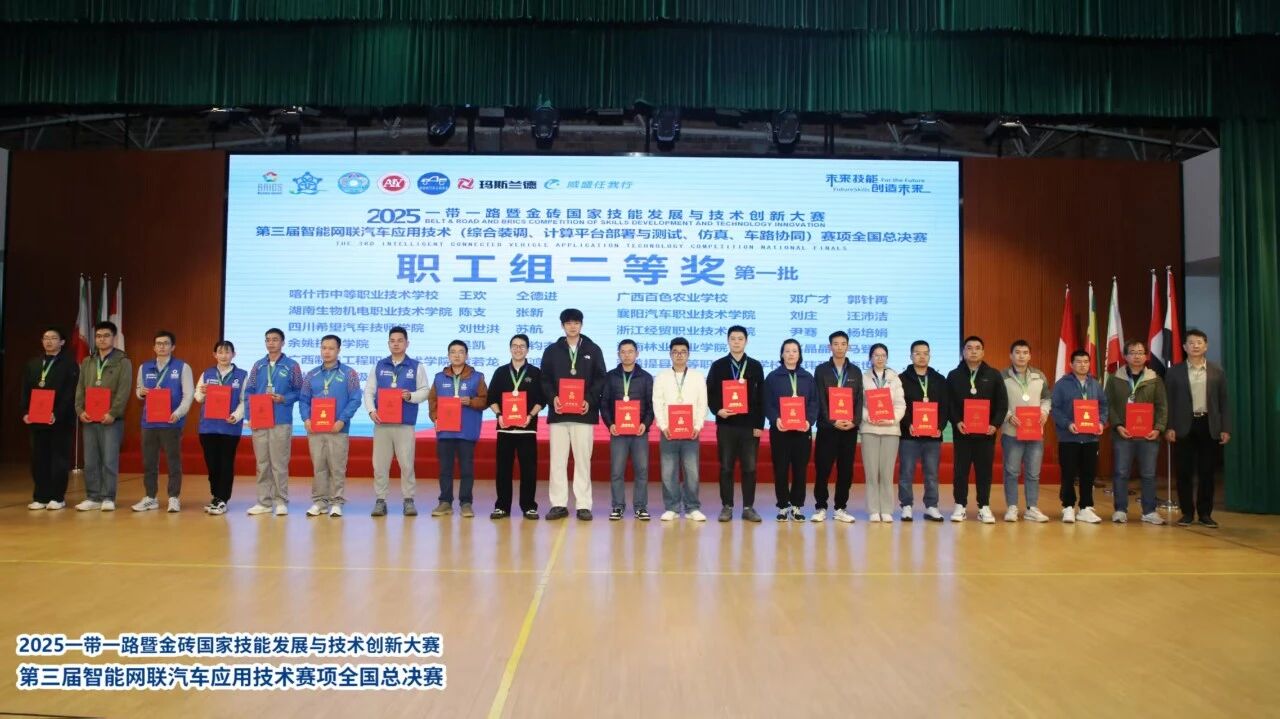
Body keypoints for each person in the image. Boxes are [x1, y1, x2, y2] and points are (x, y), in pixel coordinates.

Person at [540, 308, 607, 521]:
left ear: (581, 325)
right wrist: (553, 398)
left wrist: (589, 400)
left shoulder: (593, 349)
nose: (572, 326)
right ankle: (558, 504)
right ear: (562, 326)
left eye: (576, 323)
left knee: (583, 460)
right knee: (557, 461)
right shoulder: (552, 350)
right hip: (559, 414)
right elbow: (544, 379)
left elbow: (601, 378)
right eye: (568, 323)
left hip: (584, 414)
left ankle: (583, 505)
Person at [1164, 329, 1231, 528]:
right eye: (1191, 343)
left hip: (1209, 424)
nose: (1195, 346)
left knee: (1207, 472)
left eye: (1199, 342)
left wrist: (1225, 428)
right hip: (1183, 426)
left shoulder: (1217, 370)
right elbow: (1168, 402)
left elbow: (1224, 402)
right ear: (1184, 347)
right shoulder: (1174, 372)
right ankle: (1186, 513)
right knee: (1184, 471)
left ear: (1206, 346)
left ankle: (1205, 514)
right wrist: (1169, 426)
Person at [364, 326, 430, 517]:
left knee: (407, 464)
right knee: (380, 465)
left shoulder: (416, 366)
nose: (396, 344)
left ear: (407, 343)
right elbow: (369, 391)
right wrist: (371, 411)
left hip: (405, 424)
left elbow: (425, 391)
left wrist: (410, 396)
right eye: (392, 341)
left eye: (400, 340)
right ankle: (380, 500)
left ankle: (408, 500)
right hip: (382, 424)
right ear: (388, 343)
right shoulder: (379, 366)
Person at [705, 325, 766, 522]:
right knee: (726, 467)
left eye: (740, 339)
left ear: (746, 341)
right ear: (728, 341)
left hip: (749, 426)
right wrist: (718, 410)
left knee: (750, 468)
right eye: (733, 338)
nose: (736, 342)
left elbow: (761, 397)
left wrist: (759, 425)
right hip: (726, 425)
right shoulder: (718, 366)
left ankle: (748, 507)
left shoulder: (755, 366)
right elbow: (710, 392)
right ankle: (727, 506)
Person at [1105, 339, 1169, 525]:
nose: (1137, 356)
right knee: (1121, 473)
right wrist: (1118, 425)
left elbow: (1162, 406)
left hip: (1149, 435)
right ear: (1125, 356)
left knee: (1148, 474)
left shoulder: (1154, 379)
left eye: (1141, 352)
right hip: (1122, 434)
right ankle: (1120, 510)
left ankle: (1149, 511)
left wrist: (1158, 428)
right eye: (1132, 352)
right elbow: (1108, 405)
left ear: (1146, 356)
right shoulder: (1114, 379)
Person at [299, 335, 362, 518]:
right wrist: (306, 419)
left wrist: (342, 420)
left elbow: (355, 399)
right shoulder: (311, 375)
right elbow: (303, 399)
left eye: (331, 348)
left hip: (338, 429)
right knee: (319, 467)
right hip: (315, 429)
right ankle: (320, 501)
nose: (326, 352)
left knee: (337, 467)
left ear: (338, 350)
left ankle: (336, 502)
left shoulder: (349, 374)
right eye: (323, 348)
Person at [131, 330, 195, 513]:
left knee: (173, 462)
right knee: (149, 462)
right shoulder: (145, 367)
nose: (162, 346)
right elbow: (138, 390)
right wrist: (140, 392)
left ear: (172, 347)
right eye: (158, 343)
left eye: (166, 343)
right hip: (149, 423)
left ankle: (174, 497)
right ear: (154, 347)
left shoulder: (182, 367)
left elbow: (188, 395)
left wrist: (178, 413)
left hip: (171, 422)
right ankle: (150, 497)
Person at [947, 335, 1007, 524]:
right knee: (960, 470)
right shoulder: (954, 375)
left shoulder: (994, 375)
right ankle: (960, 505)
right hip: (962, 433)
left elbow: (1002, 403)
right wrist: (957, 421)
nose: (973, 351)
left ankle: (984, 506)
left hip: (986, 434)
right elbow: (949, 403)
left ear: (983, 352)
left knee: (984, 471)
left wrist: (994, 424)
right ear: (963, 352)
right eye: (969, 348)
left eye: (977, 348)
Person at [243, 327, 303, 516]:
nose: (271, 343)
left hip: (281, 420)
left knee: (279, 463)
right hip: (260, 420)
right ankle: (264, 502)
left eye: (275, 339)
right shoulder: (258, 365)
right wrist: (249, 416)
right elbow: (249, 391)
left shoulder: (292, 366)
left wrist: (284, 398)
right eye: (268, 339)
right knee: (262, 463)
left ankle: (281, 501)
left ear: (282, 342)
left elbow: (300, 391)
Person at [427, 340, 489, 518]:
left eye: (460, 352)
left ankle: (466, 503)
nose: (456, 355)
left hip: (466, 431)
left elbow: (485, 400)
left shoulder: (477, 377)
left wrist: (471, 401)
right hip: (445, 431)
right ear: (448, 356)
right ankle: (445, 502)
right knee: (445, 469)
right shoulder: (439, 377)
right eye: (453, 352)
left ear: (466, 355)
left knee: (466, 469)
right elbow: (432, 401)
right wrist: (435, 418)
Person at [74, 321, 132, 512]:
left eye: (106, 336)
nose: (102, 339)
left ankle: (108, 497)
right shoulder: (87, 361)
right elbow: (80, 388)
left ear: (114, 338)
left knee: (109, 459)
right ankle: (93, 497)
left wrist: (113, 413)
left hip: (111, 420)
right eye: (98, 336)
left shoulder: (123, 361)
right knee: (90, 460)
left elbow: (124, 391)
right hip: (89, 418)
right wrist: (80, 410)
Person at [487, 334, 545, 520]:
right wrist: (499, 415)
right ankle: (502, 506)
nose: (518, 349)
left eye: (522, 346)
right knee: (503, 469)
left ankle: (529, 506)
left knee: (529, 469)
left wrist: (530, 416)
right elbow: (491, 398)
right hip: (505, 429)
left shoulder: (535, 372)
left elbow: (541, 400)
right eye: (515, 345)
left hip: (527, 429)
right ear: (510, 348)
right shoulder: (501, 372)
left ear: (527, 350)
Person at [21, 327, 79, 511]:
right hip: (37, 420)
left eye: (53, 338)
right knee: (38, 459)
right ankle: (40, 496)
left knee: (58, 460)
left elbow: (70, 393)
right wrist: (25, 412)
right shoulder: (33, 364)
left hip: (59, 421)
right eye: (46, 338)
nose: (49, 341)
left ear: (62, 342)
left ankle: (57, 497)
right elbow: (25, 390)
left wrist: (57, 413)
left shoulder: (69, 364)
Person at [652, 337, 708, 521]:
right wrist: (663, 425)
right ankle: (672, 508)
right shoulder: (661, 377)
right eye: (675, 352)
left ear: (688, 354)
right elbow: (657, 402)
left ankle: (692, 508)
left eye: (683, 352)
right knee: (668, 471)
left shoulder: (697, 377)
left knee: (692, 472)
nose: (679, 355)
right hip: (668, 432)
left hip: (691, 432)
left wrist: (698, 425)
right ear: (670, 354)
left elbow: (702, 403)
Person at [600, 339, 655, 521]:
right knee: (617, 471)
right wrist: (610, 424)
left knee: (642, 471)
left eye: (630, 351)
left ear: (637, 354)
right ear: (618, 354)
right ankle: (618, 506)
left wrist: (645, 424)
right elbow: (604, 404)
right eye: (623, 352)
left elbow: (651, 406)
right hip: (618, 433)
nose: (627, 355)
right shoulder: (610, 377)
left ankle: (640, 507)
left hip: (639, 432)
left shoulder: (646, 377)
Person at [1050, 349, 1108, 523]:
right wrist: (1068, 423)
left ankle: (1085, 507)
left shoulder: (1095, 384)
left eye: (1086, 362)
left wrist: (1101, 422)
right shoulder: (1062, 384)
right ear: (1071, 364)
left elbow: (1103, 406)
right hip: (1069, 437)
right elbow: (1055, 408)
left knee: (1088, 474)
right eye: (1078, 362)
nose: (1083, 365)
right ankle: (1068, 506)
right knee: (1068, 473)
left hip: (1091, 438)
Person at [764, 339, 818, 522]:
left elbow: (814, 402)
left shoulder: (807, 377)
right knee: (780, 469)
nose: (791, 354)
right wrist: (775, 419)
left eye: (794, 351)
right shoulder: (773, 377)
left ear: (799, 354)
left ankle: (796, 506)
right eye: (787, 351)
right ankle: (782, 506)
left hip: (802, 432)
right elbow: (767, 402)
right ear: (782, 354)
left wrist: (809, 421)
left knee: (800, 470)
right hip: (780, 431)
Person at [812, 331, 863, 523]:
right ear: (830, 346)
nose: (839, 347)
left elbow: (859, 400)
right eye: (836, 343)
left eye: (843, 344)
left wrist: (855, 421)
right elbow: (820, 399)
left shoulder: (855, 371)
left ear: (848, 346)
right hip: (827, 429)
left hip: (849, 429)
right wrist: (832, 420)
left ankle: (841, 507)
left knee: (846, 470)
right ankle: (821, 507)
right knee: (823, 469)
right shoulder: (821, 370)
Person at [898, 340, 952, 521]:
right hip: (909, 435)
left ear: (930, 355)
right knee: (906, 472)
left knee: (932, 474)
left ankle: (931, 506)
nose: (922, 356)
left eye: (925, 353)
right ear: (911, 356)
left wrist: (940, 427)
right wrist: (908, 423)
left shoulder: (939, 379)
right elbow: (900, 405)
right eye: (917, 353)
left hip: (932, 436)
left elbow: (945, 406)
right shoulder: (901, 379)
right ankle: (906, 506)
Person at [999, 340, 1052, 522]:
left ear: (1030, 355)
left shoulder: (1039, 375)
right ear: (1011, 355)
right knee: (1011, 472)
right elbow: (997, 402)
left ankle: (1032, 508)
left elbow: (1046, 398)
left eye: (1025, 352)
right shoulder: (1002, 376)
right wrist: (1008, 416)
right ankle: (1012, 507)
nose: (1021, 356)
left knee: (1033, 473)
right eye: (1017, 352)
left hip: (1035, 433)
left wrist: (1044, 412)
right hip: (1011, 433)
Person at [192, 340, 247, 515]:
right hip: (208, 427)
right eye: (220, 352)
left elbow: (245, 401)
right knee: (212, 464)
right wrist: (203, 392)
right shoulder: (207, 373)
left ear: (233, 354)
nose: (224, 356)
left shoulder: (241, 375)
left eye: (227, 352)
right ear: (214, 355)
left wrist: (236, 416)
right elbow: (198, 397)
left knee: (226, 464)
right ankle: (216, 496)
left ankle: (223, 499)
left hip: (229, 428)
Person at [860, 343, 906, 522]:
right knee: (872, 472)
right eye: (876, 355)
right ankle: (873, 509)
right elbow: (858, 404)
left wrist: (892, 419)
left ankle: (886, 509)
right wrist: (868, 417)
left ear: (887, 357)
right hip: (869, 429)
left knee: (887, 472)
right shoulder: (863, 377)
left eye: (883, 355)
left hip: (891, 430)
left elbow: (900, 404)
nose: (880, 358)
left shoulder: (895, 378)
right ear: (870, 358)